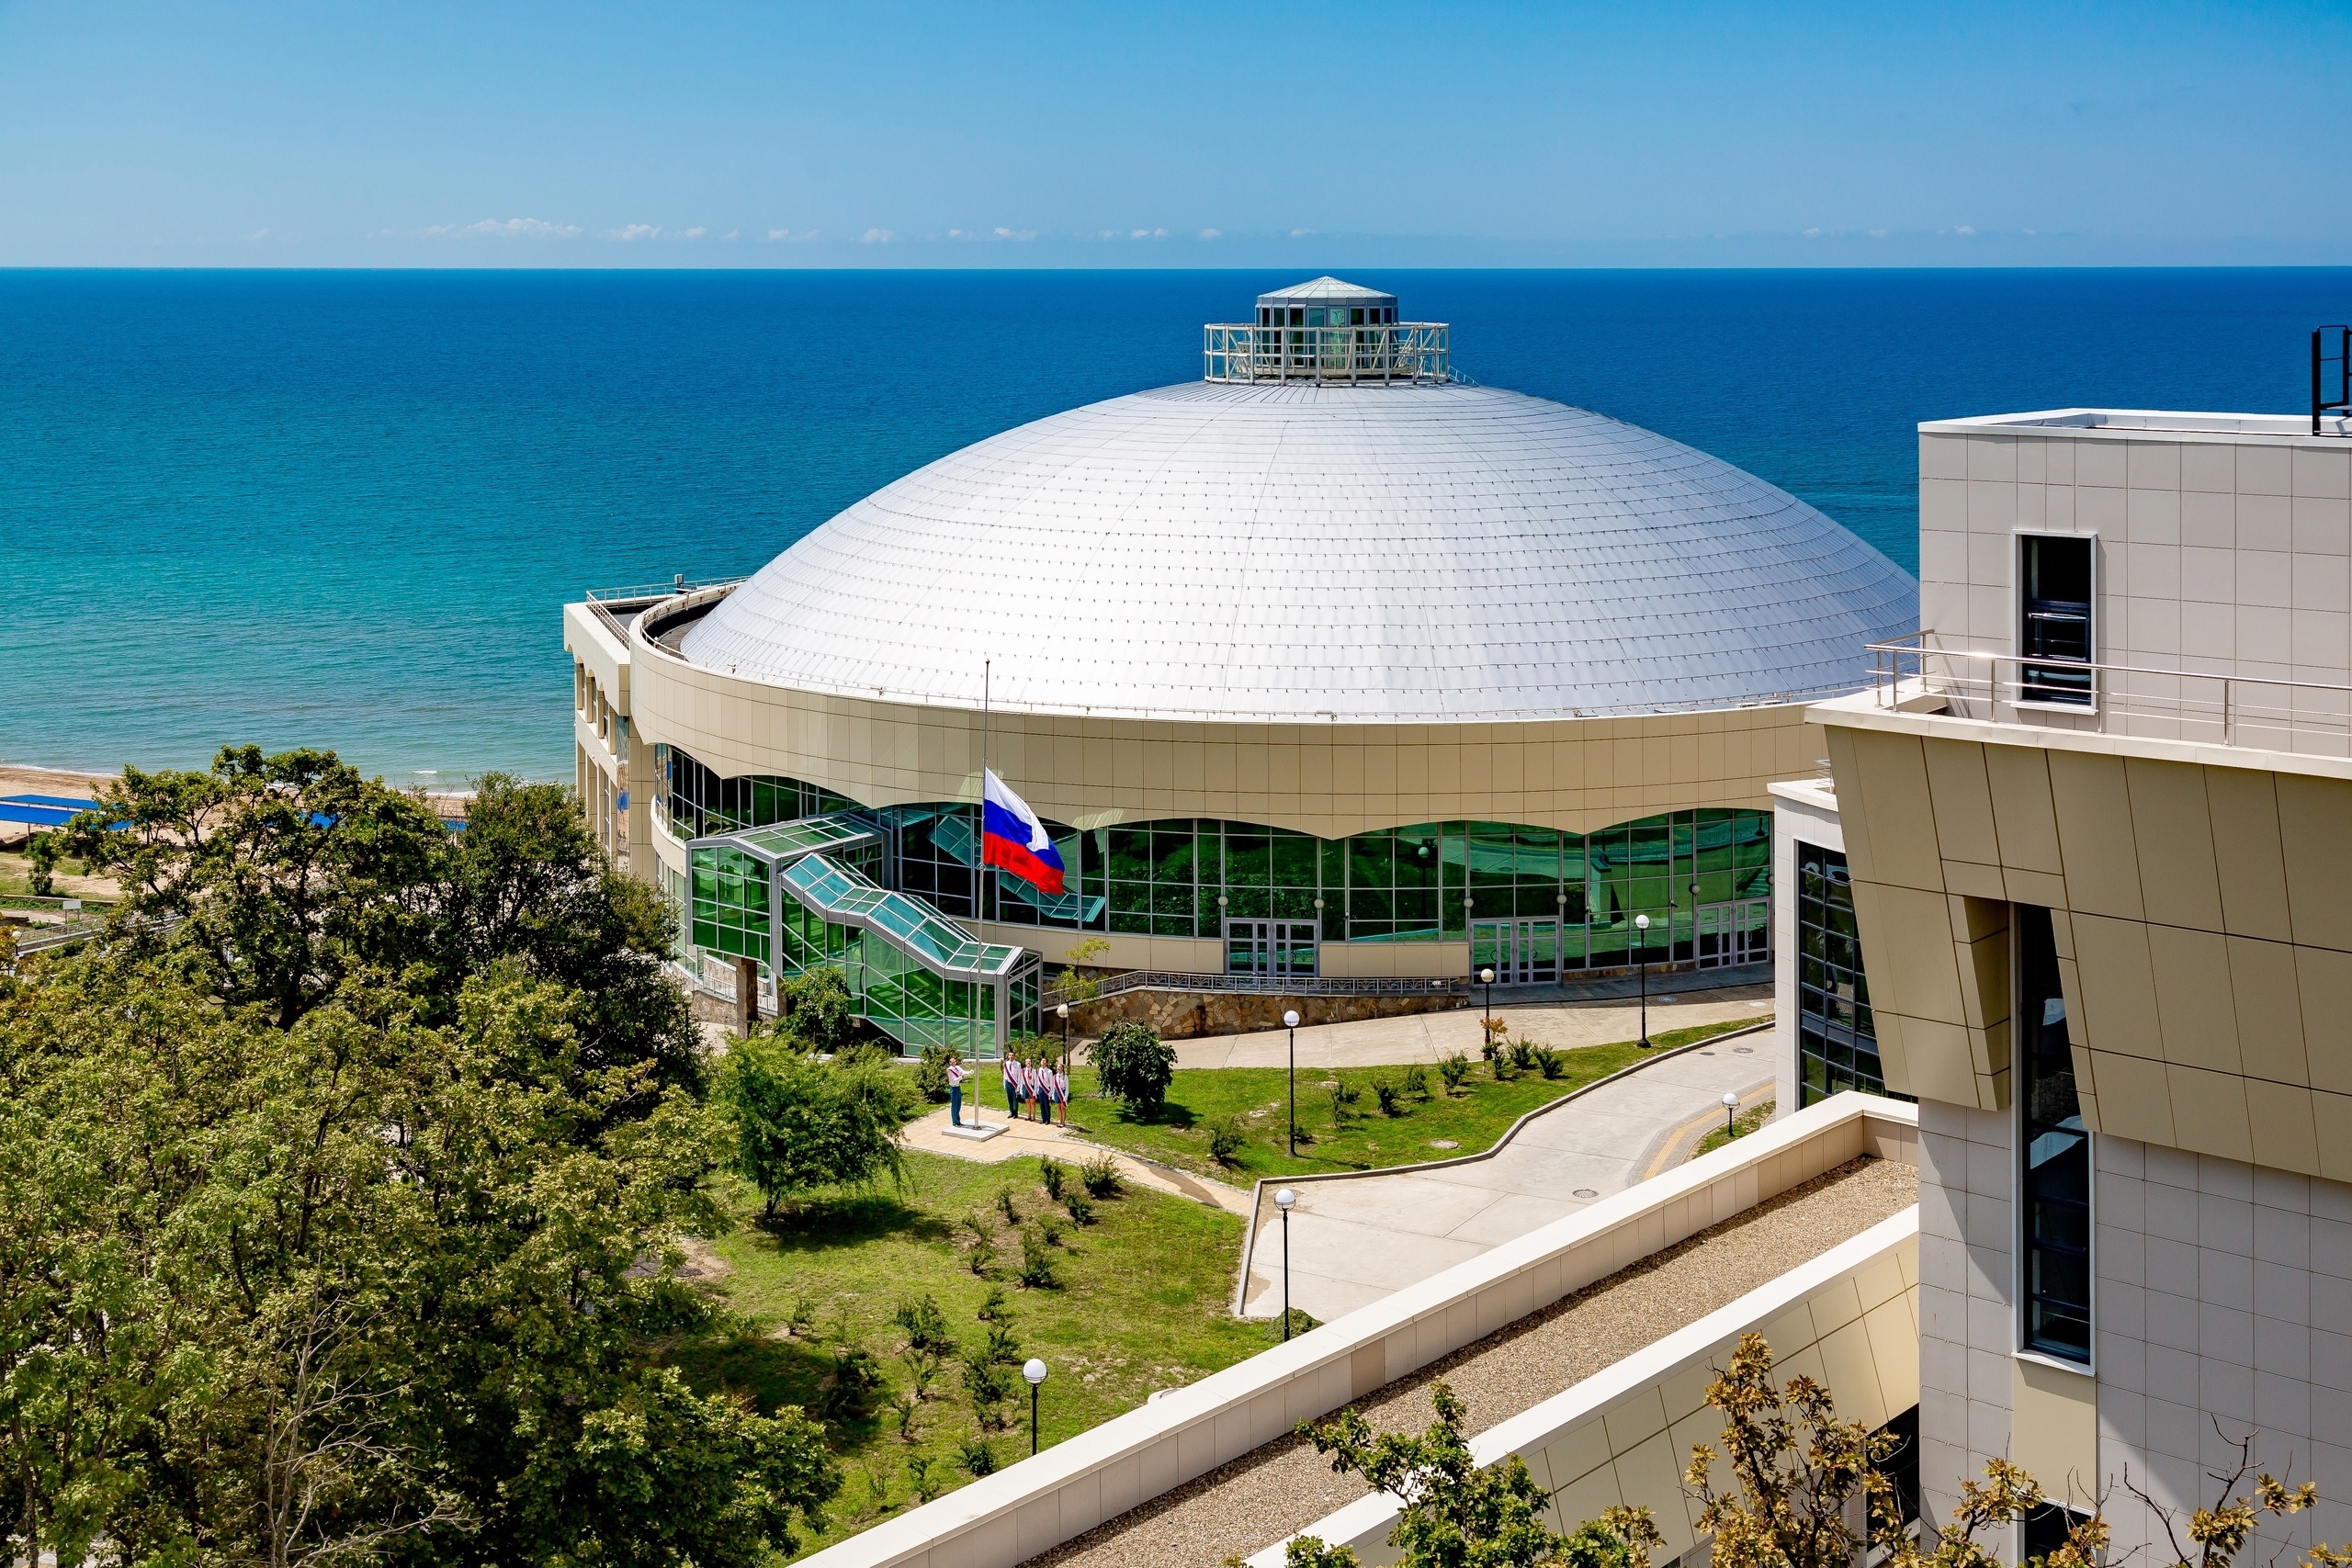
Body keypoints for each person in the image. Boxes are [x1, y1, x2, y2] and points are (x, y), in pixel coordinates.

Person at [945, 1050, 966, 1127]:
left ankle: (958, 1121)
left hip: (958, 1087)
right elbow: (953, 1080)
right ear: (950, 1063)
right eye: (952, 1061)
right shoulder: (949, 1070)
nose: (954, 1062)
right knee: (954, 1105)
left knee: (958, 1104)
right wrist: (961, 1077)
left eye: (954, 1060)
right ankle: (954, 1122)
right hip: (953, 1088)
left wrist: (968, 1073)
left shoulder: (958, 1067)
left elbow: (962, 1072)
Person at [1004, 1055, 1023, 1120]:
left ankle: (1015, 1112)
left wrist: (1018, 1086)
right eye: (1010, 1055)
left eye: (1012, 1055)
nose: (1011, 1056)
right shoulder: (1006, 1063)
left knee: (1015, 1099)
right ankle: (1011, 1111)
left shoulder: (1018, 1064)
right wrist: (1004, 1084)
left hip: (1014, 1084)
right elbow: (1005, 1074)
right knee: (1009, 1098)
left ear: (1014, 1056)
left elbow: (1019, 1076)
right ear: (1008, 1056)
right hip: (1007, 1082)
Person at [1053, 1059, 1070, 1125]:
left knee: (1063, 1108)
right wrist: (1053, 1095)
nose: (1058, 1068)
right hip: (1057, 1092)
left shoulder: (1065, 1077)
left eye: (1059, 1067)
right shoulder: (1055, 1076)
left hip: (1063, 1092)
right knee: (1058, 1107)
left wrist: (1066, 1096)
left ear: (1062, 1068)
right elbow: (1053, 1086)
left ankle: (1063, 1122)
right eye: (1057, 1067)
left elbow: (1067, 1088)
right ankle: (1060, 1121)